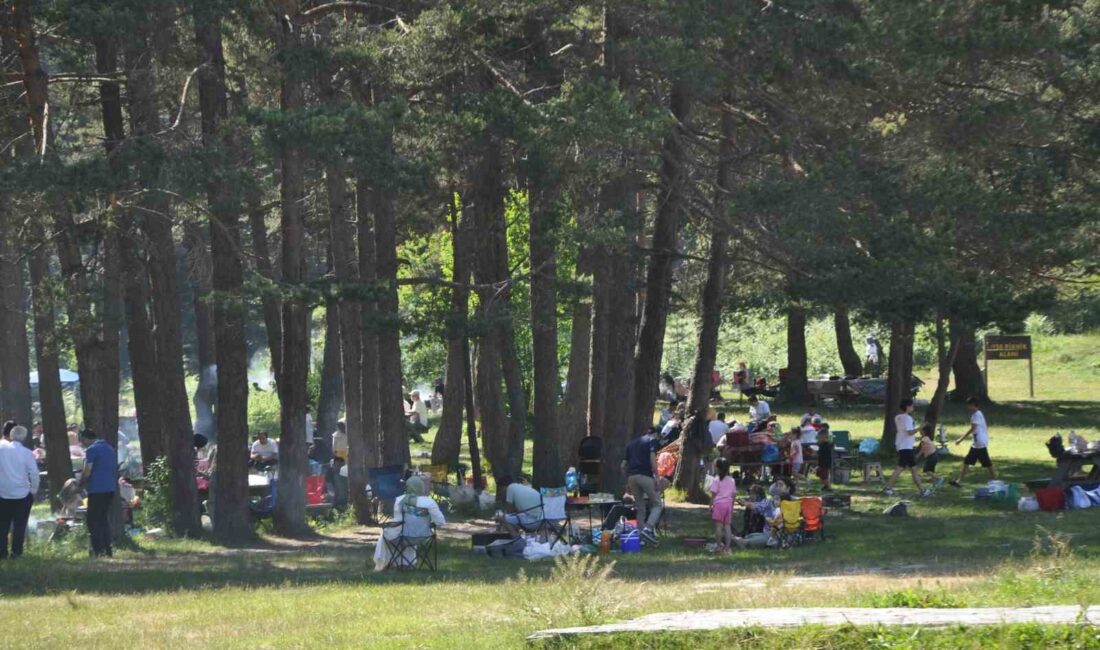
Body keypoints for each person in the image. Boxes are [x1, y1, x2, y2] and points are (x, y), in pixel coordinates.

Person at [373, 475, 445, 571]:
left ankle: (387, 563)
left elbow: (398, 521)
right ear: (421, 487)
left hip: (403, 535)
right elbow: (440, 522)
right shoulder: (429, 502)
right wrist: (429, 523)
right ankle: (405, 563)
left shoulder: (400, 500)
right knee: (403, 533)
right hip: (424, 536)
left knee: (388, 533)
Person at [0, 426, 39, 560]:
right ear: (24, 437)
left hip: (3, 493)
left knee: (2, 525)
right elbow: (34, 474)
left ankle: (2, 553)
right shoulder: (27, 453)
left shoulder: (1, 450)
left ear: (10, 436)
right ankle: (16, 553)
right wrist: (33, 491)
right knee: (20, 525)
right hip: (22, 493)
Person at [78, 429, 116, 558]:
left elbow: (87, 471)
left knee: (92, 520)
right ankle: (108, 548)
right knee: (103, 519)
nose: (82, 443)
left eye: (82, 440)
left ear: (85, 438)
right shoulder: (109, 448)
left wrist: (80, 484)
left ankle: (98, 550)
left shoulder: (92, 450)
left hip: (97, 489)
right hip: (109, 488)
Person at [621, 428, 661, 545]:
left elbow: (623, 465)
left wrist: (627, 480)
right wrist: (657, 478)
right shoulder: (652, 441)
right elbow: (653, 462)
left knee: (640, 507)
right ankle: (648, 529)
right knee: (657, 504)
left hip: (632, 477)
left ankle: (640, 537)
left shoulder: (631, 444)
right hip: (645, 476)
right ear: (655, 434)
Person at [884, 399, 929, 497]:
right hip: (906, 447)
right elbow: (910, 432)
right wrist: (920, 427)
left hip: (901, 445)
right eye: (912, 406)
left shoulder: (898, 417)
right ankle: (888, 487)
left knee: (913, 469)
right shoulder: (908, 418)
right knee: (901, 468)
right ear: (908, 407)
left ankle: (922, 490)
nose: (913, 407)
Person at [950, 397, 997, 486]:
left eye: (969, 405)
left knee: (986, 462)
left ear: (973, 405)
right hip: (978, 442)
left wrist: (960, 439)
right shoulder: (978, 414)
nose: (968, 407)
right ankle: (959, 481)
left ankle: (995, 479)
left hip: (979, 442)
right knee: (969, 461)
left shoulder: (976, 415)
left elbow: (973, 428)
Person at [708, 458, 738, 553]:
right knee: (727, 526)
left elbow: (713, 495)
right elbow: (733, 495)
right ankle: (728, 547)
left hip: (719, 505)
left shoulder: (716, 480)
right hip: (728, 505)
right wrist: (732, 507)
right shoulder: (732, 480)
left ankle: (718, 546)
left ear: (718, 468)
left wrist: (710, 506)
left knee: (719, 526)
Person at [917, 423, 945, 488]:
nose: (919, 431)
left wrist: (918, 455)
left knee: (926, 470)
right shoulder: (927, 438)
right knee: (931, 470)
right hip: (934, 455)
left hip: (931, 456)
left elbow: (923, 449)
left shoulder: (924, 439)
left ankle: (939, 478)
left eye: (920, 430)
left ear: (924, 431)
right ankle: (934, 482)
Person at [816, 424, 833, 490]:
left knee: (824, 476)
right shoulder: (821, 444)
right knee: (820, 475)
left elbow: (823, 454)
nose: (819, 439)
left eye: (820, 437)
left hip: (825, 463)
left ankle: (829, 487)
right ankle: (825, 486)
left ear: (825, 437)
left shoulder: (826, 445)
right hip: (821, 463)